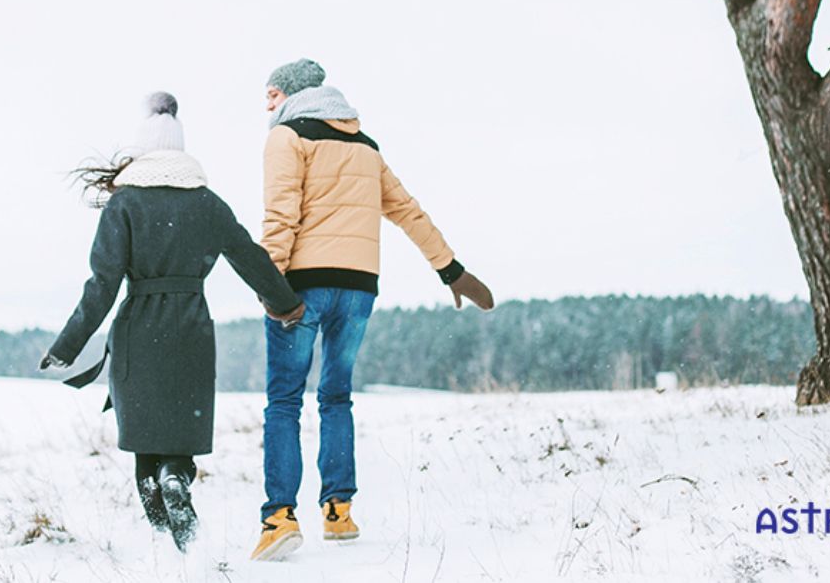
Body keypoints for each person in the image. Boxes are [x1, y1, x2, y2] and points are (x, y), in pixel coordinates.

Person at [249, 59, 495, 562]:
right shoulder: (365, 147)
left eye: (271, 95)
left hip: (300, 287)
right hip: (359, 287)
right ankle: (339, 510)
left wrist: (269, 284)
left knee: (284, 401)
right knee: (336, 397)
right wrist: (450, 270)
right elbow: (407, 209)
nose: (266, 106)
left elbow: (280, 215)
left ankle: (279, 519)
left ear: (292, 94)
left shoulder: (286, 138)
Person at [40, 92, 304, 552]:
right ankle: (177, 485)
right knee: (179, 437)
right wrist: (286, 304)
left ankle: (172, 547)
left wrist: (68, 344)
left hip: (138, 333)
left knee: (146, 439)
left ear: (141, 149)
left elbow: (101, 285)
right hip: (190, 331)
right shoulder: (207, 203)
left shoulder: (124, 206)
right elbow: (250, 259)